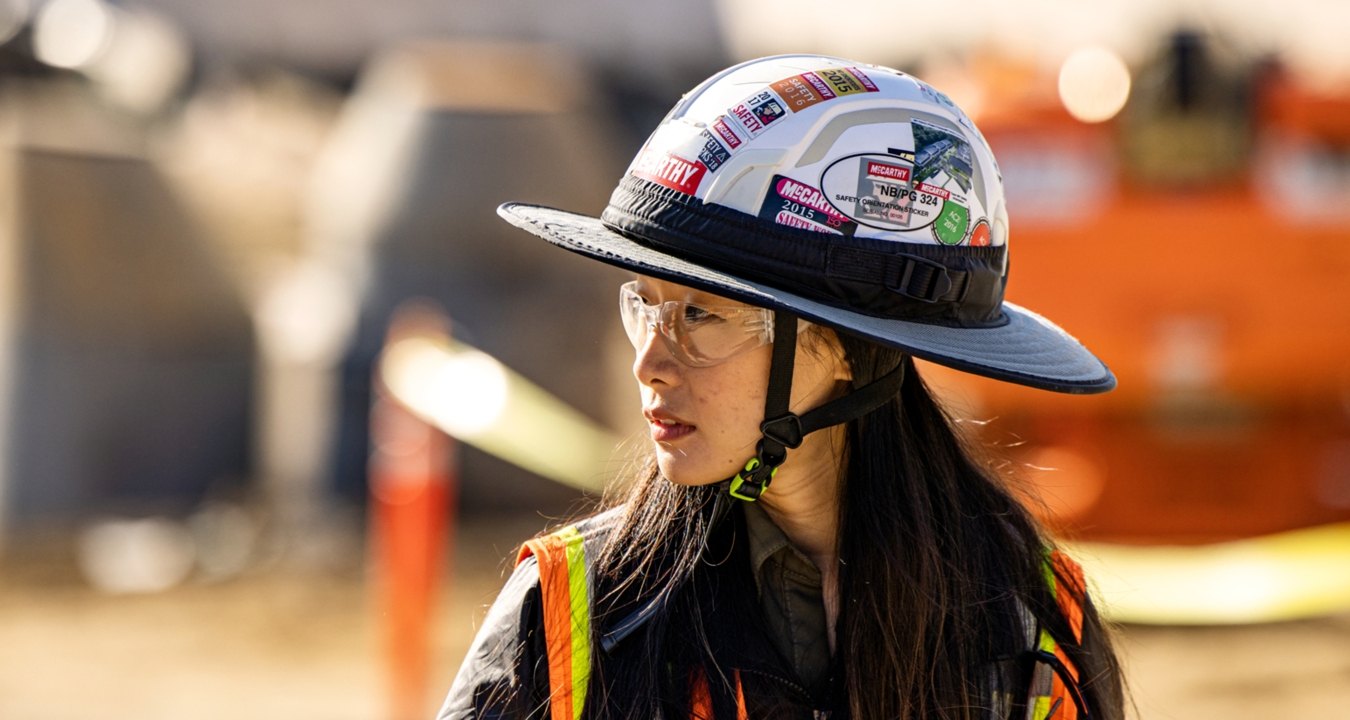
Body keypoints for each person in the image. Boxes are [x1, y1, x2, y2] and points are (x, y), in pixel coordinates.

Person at [440, 54, 1126, 720]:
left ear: (851, 351)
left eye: (701, 315)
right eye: (644, 306)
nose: (647, 362)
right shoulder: (571, 612)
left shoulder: (1030, 624)